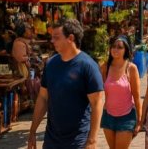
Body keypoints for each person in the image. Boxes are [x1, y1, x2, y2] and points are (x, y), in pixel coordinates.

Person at [28, 19, 104, 149]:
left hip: (78, 141)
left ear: (70, 38)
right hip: (51, 141)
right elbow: (43, 98)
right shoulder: (51, 64)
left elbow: (97, 103)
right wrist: (32, 131)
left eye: (56, 37)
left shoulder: (88, 66)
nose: (52, 41)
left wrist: (92, 141)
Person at [100, 37, 142, 149]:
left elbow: (137, 97)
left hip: (127, 116)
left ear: (126, 50)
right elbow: (98, 92)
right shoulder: (105, 67)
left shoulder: (131, 68)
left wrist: (139, 121)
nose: (115, 49)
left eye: (119, 47)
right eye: (113, 46)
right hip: (108, 115)